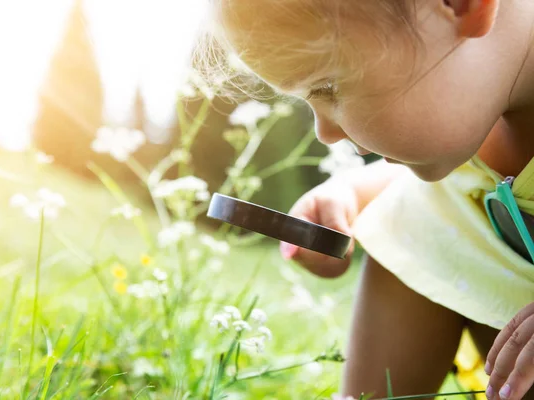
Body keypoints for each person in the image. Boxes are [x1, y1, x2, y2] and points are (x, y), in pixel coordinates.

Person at [206, 1, 534, 400]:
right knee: (407, 218)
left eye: (328, 87)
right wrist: (354, 194)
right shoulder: (481, 97)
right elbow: (459, 183)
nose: (324, 133)